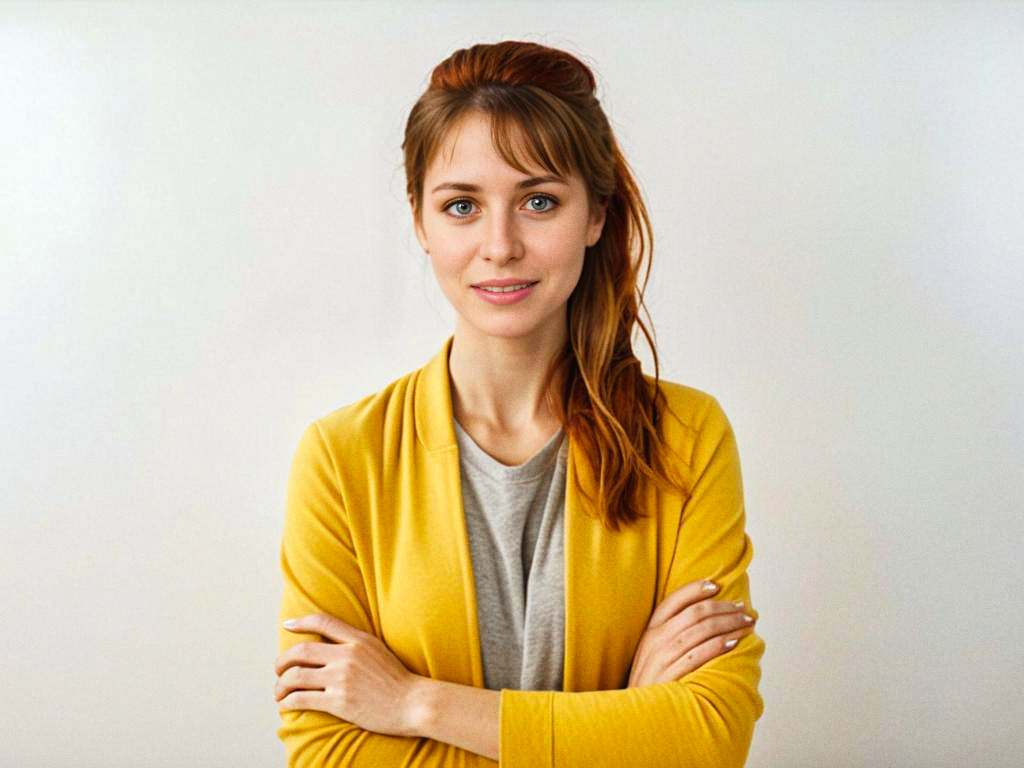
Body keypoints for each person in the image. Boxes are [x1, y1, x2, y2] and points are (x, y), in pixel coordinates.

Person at [272, 40, 764, 767]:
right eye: (462, 206)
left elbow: (709, 741)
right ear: (420, 222)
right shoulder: (344, 458)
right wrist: (622, 725)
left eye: (538, 201)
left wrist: (416, 703)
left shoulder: (686, 438)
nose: (499, 246)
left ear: (596, 215)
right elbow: (328, 755)